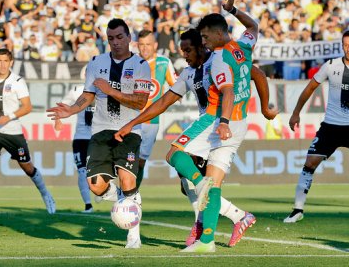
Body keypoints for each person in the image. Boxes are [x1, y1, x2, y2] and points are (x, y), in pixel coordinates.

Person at [114, 28, 277, 248]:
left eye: (188, 50)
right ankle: (217, 231)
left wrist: (265, 108)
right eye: (182, 50)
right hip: (212, 127)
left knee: (181, 162)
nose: (185, 55)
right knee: (192, 181)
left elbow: (255, 73)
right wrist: (133, 123)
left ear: (202, 46)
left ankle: (213, 218)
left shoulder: (220, 60)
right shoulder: (189, 73)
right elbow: (163, 102)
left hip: (219, 123)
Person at [47, 18, 151, 249]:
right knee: (95, 186)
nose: (115, 42)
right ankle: (129, 198)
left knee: (126, 179)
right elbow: (88, 94)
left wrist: (111, 90)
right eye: (111, 38)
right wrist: (72, 109)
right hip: (100, 130)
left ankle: (133, 234)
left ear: (129, 38)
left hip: (129, 130)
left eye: (120, 37)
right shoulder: (96, 62)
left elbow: (140, 103)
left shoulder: (142, 65)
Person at [284, 30, 349, 223]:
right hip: (331, 126)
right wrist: (296, 112)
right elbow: (310, 88)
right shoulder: (331, 66)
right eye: (345, 45)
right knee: (310, 163)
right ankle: (297, 210)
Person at [0, 48, 56, 214]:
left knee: (27, 167)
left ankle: (46, 194)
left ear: (11, 62)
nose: (2, 64)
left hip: (13, 132)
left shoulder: (17, 81)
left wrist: (9, 117)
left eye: (5, 61)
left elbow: (27, 107)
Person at [136, 29, 176, 188]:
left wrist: (168, 101)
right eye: (141, 45)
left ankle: (131, 196)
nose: (144, 48)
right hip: (130, 120)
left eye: (148, 45)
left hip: (151, 120)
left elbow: (177, 85)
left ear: (155, 45)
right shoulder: (131, 62)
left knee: (139, 162)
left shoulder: (164, 63)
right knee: (126, 160)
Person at [54, 85, 94, 213]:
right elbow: (62, 105)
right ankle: (88, 205)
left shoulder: (106, 88)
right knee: (82, 171)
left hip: (98, 137)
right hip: (81, 138)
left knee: (98, 171)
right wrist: (58, 120)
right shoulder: (77, 90)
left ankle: (102, 192)